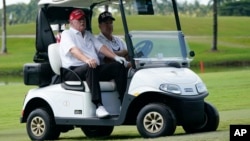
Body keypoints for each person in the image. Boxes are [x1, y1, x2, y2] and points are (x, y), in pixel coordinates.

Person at [59, 9, 127, 118]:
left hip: (91, 68)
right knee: (91, 65)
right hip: (72, 71)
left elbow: (101, 47)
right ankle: (98, 105)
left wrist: (115, 57)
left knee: (118, 67)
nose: (82, 21)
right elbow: (73, 50)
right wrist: (87, 60)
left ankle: (123, 103)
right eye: (79, 19)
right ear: (71, 22)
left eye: (84, 19)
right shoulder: (67, 34)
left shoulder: (88, 34)